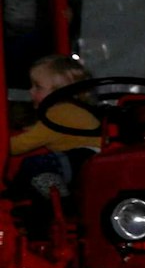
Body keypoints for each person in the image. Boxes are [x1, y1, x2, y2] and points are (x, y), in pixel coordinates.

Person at [9, 53, 100, 202]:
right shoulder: (69, 110)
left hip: (85, 160)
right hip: (90, 159)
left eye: (38, 87)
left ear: (59, 92)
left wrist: (4, 144)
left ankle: (15, 197)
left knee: (33, 165)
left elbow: (21, 145)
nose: (31, 91)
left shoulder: (57, 113)